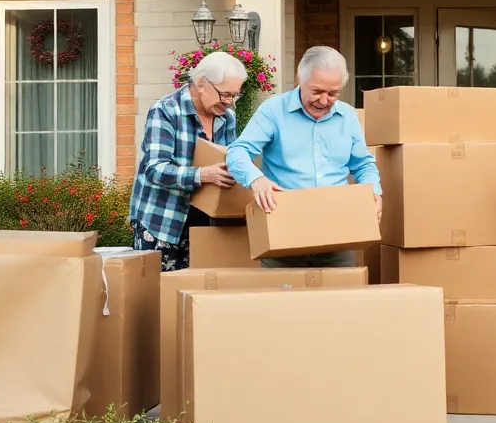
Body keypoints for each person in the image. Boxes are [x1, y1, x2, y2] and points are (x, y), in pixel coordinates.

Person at [226, 46, 381, 268]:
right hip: (283, 233)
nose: (325, 100)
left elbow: (363, 164)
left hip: (337, 235)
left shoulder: (347, 116)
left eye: (333, 93)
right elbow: (237, 151)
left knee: (341, 301)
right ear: (300, 78)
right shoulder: (273, 110)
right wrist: (256, 180)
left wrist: (374, 191)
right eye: (317, 91)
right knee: (283, 302)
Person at [128, 50, 248, 271]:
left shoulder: (226, 116)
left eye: (235, 95)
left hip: (207, 222)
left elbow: (230, 159)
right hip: (163, 223)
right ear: (201, 82)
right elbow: (154, 169)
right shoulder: (165, 111)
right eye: (225, 94)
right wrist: (202, 174)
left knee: (200, 294)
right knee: (160, 299)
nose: (230, 102)